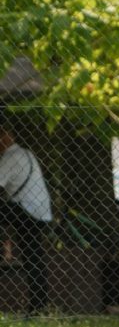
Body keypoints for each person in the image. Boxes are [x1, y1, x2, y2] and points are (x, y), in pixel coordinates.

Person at [0, 114, 52, 315]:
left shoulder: (10, 158)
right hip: (39, 212)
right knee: (34, 258)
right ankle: (40, 305)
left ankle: (38, 305)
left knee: (33, 258)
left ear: (5, 138)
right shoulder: (25, 153)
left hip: (27, 211)